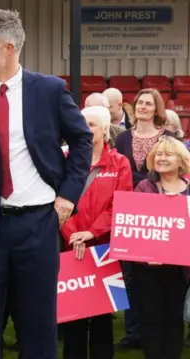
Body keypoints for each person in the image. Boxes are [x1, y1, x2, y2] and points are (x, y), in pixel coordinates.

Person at [0, 9, 93, 359]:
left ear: (8, 47)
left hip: (38, 225)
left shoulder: (51, 90)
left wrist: (68, 195)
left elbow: (83, 140)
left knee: (39, 322)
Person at [60, 106, 133, 359]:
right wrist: (72, 233)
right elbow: (56, 201)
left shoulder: (119, 163)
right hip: (69, 245)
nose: (86, 129)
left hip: (103, 247)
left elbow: (120, 204)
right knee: (73, 315)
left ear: (105, 129)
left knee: (102, 314)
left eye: (92, 124)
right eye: (82, 124)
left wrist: (91, 233)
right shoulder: (64, 159)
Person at [114, 88, 174, 351]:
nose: (143, 107)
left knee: (157, 273)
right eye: (140, 103)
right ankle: (133, 332)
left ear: (157, 108)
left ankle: (158, 331)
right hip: (128, 211)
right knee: (130, 273)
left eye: (149, 103)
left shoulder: (168, 138)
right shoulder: (123, 138)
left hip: (160, 212)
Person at [132, 136, 190, 359]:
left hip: (180, 270)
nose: (161, 158)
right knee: (151, 319)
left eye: (168, 154)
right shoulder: (143, 187)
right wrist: (146, 256)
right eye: (158, 154)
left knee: (174, 319)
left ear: (181, 160)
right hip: (148, 269)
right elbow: (134, 228)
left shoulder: (188, 190)